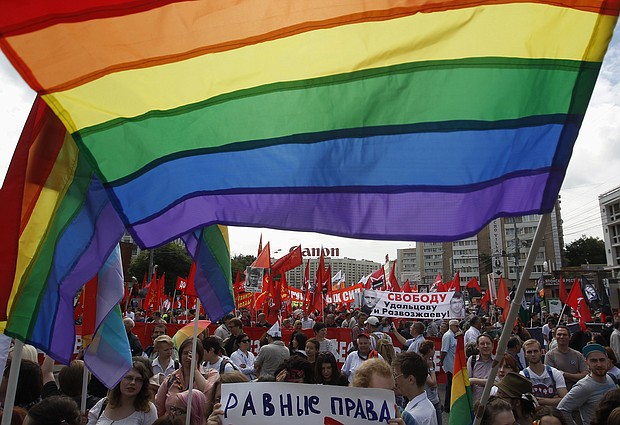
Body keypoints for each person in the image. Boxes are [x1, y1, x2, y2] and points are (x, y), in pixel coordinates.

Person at [557, 343, 618, 425]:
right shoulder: (583, 386)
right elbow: (562, 409)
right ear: (587, 363)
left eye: (602, 360)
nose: (599, 364)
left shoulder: (611, 378)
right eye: (594, 361)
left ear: (608, 361)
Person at [155, 339, 214, 417]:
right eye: (185, 353)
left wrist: (195, 370)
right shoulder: (171, 379)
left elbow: (208, 394)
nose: (188, 357)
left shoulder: (210, 374)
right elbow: (159, 407)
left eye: (193, 353)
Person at [87, 361, 157, 425]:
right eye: (129, 378)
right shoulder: (103, 403)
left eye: (138, 380)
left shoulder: (147, 410)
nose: (133, 383)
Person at [350, 358, 416, 425]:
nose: (388, 398)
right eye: (382, 393)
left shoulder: (405, 418)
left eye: (391, 391)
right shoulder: (346, 416)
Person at [393, 351, 438, 425]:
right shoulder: (425, 405)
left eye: (396, 376)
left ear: (411, 379)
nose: (395, 382)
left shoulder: (414, 416)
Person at [520, 339, 567, 406]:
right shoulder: (522, 375)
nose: (533, 354)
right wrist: (554, 400)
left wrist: (539, 400)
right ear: (525, 354)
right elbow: (524, 402)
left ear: (541, 352)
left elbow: (565, 399)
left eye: (535, 351)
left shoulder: (555, 373)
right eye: (529, 352)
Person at [545, 325, 588, 391]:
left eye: (564, 335)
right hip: (558, 392)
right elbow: (551, 377)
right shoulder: (549, 355)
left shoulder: (578, 355)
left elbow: (585, 375)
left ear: (569, 337)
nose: (562, 337)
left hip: (578, 390)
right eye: (559, 334)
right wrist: (576, 376)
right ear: (555, 337)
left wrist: (564, 374)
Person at [419, 340, 442, 425]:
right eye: (434, 349)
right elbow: (433, 382)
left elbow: (436, 385)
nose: (435, 350)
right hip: (428, 401)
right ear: (429, 351)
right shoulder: (421, 365)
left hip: (435, 400)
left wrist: (439, 399)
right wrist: (431, 368)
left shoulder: (431, 362)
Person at [468, 333, 495, 402]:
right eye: (482, 344)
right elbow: (467, 381)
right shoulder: (472, 360)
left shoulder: (498, 362)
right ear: (477, 346)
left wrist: (474, 380)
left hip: (493, 403)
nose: (485, 346)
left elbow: (496, 382)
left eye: (488, 343)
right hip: (476, 402)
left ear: (492, 346)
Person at [439, 319, 459, 413]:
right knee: (449, 385)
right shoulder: (448, 336)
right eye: (457, 326)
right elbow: (444, 350)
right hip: (450, 364)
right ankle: (447, 406)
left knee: (451, 385)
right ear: (451, 326)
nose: (458, 328)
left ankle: (450, 405)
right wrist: (441, 361)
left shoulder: (453, 335)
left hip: (453, 363)